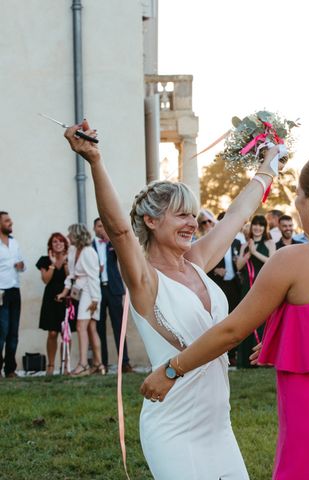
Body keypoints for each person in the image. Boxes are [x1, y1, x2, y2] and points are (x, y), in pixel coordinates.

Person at [141, 155, 309, 480]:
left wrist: (171, 370)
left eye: (300, 196)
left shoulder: (290, 259)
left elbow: (232, 331)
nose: (298, 204)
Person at [64, 120, 284, 479]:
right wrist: (95, 160)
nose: (192, 223)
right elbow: (119, 230)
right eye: (181, 214)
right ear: (151, 221)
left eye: (193, 215)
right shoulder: (145, 279)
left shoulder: (197, 262)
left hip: (219, 428)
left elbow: (239, 213)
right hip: (172, 429)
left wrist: (269, 163)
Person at [56, 224, 104, 376]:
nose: (67, 236)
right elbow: (71, 275)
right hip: (79, 291)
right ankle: (98, 364)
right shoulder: (72, 250)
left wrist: (95, 300)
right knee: (91, 328)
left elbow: (94, 277)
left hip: (90, 292)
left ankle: (83, 364)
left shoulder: (89, 252)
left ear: (77, 235)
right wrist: (65, 291)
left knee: (81, 326)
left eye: (70, 233)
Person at [235, 214, 276, 368]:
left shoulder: (270, 243)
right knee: (247, 321)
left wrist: (256, 252)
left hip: (264, 287)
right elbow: (238, 266)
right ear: (251, 227)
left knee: (263, 320)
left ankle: (264, 359)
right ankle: (246, 360)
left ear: (264, 227)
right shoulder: (245, 245)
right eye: (255, 225)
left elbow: (272, 262)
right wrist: (248, 252)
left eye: (261, 225)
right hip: (248, 287)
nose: (257, 228)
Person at [93, 218, 131, 373]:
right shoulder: (90, 247)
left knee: (119, 327)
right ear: (94, 228)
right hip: (97, 290)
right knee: (99, 328)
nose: (102, 229)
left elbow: (124, 257)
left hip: (114, 289)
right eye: (99, 226)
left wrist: (112, 240)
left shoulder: (113, 245)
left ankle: (125, 363)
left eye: (104, 226)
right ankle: (102, 363)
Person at [36, 233, 72, 375]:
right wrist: (52, 264)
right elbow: (45, 280)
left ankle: (66, 365)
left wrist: (64, 263)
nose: (58, 244)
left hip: (66, 296)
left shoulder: (69, 258)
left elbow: (71, 276)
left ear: (65, 244)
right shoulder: (44, 260)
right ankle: (50, 365)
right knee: (52, 333)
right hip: (50, 298)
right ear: (51, 245)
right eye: (55, 242)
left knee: (66, 333)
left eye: (61, 241)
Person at [0, 211, 25, 378]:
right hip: (1, 290)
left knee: (13, 331)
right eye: (7, 221)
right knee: (1, 330)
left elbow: (22, 265)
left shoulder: (14, 243)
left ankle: (10, 369)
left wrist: (21, 265)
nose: (11, 223)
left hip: (14, 290)